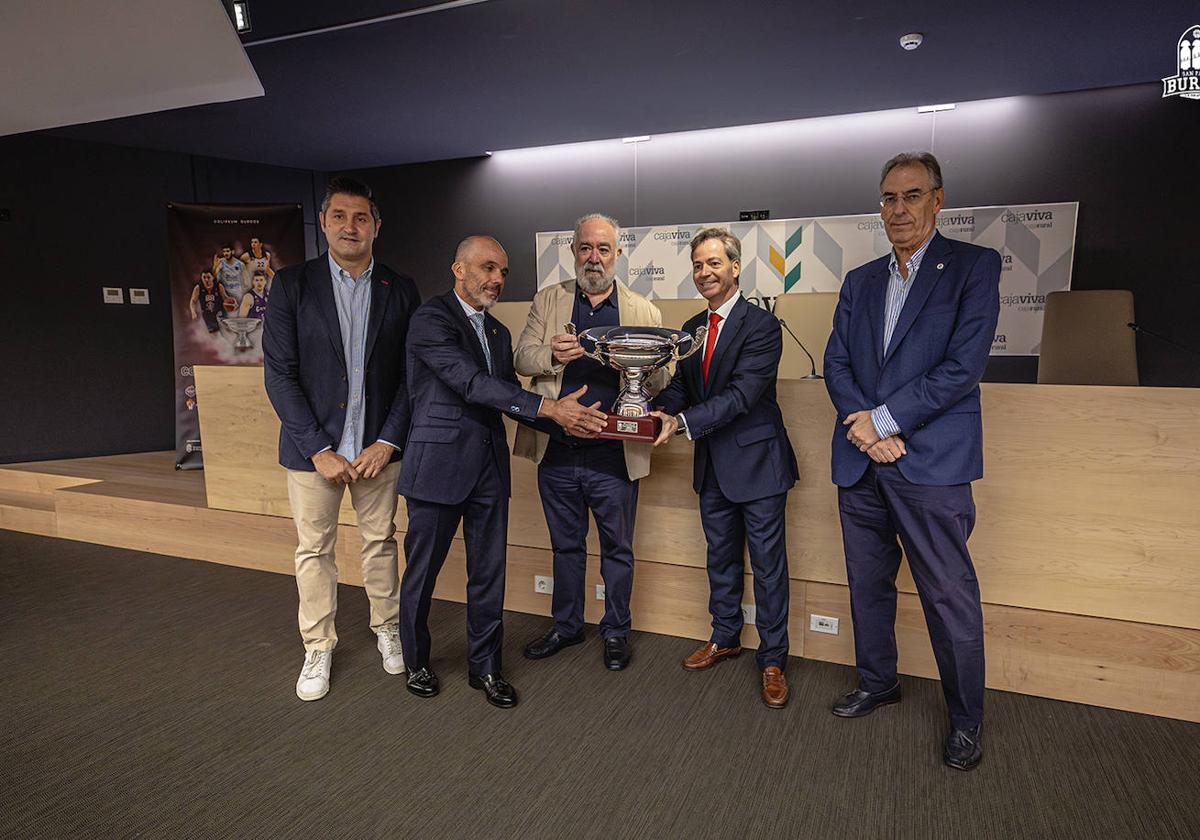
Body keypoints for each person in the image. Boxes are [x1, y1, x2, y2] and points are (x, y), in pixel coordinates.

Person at [822, 151, 1001, 771]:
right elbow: (837, 363)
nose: (899, 209)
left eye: (913, 195)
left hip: (932, 465)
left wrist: (886, 421)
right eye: (889, 198)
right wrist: (867, 432)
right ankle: (878, 681)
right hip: (862, 463)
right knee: (867, 585)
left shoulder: (974, 268)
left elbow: (962, 368)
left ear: (938, 199)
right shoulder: (861, 280)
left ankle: (966, 719)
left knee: (948, 594)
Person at [398, 235, 607, 709]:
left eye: (503, 272)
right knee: (421, 573)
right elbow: (469, 384)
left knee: (489, 574)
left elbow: (508, 393)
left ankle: (486, 667)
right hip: (437, 468)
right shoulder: (431, 319)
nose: (496, 279)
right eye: (488, 268)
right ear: (458, 268)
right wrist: (549, 407)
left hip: (488, 471)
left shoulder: (497, 333)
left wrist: (566, 420)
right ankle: (416, 660)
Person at [262, 176, 420, 702]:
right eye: (339, 217)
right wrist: (316, 448)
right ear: (324, 223)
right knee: (314, 550)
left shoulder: (400, 288)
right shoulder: (290, 285)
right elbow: (279, 374)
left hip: (378, 450)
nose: (350, 227)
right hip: (314, 454)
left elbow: (409, 378)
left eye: (361, 218)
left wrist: (388, 441)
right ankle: (318, 645)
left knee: (380, 542)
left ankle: (387, 629)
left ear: (376, 225)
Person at [651, 227, 799, 709]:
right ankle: (725, 635)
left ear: (735, 268)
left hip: (758, 464)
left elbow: (742, 395)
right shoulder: (692, 328)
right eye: (697, 265)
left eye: (714, 263)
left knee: (769, 566)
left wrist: (683, 422)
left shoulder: (761, 326)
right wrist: (656, 409)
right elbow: (682, 386)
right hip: (712, 465)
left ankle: (773, 658)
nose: (704, 272)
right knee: (721, 558)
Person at [514, 213, 668, 671]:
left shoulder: (644, 310)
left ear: (617, 254)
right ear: (574, 252)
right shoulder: (549, 300)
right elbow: (523, 357)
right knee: (565, 546)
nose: (594, 257)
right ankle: (566, 626)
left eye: (603, 249)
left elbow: (663, 376)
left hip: (614, 456)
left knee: (617, 549)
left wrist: (639, 370)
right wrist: (551, 354)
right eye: (586, 248)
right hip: (558, 451)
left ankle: (616, 631)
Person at [189, 269, 226, 334]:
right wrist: (193, 312)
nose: (206, 280)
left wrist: (232, 303)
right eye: (204, 277)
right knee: (214, 334)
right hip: (208, 314)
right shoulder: (198, 288)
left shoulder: (219, 286)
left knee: (225, 330)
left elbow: (225, 298)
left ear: (213, 277)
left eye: (208, 277)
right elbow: (193, 301)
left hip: (219, 312)